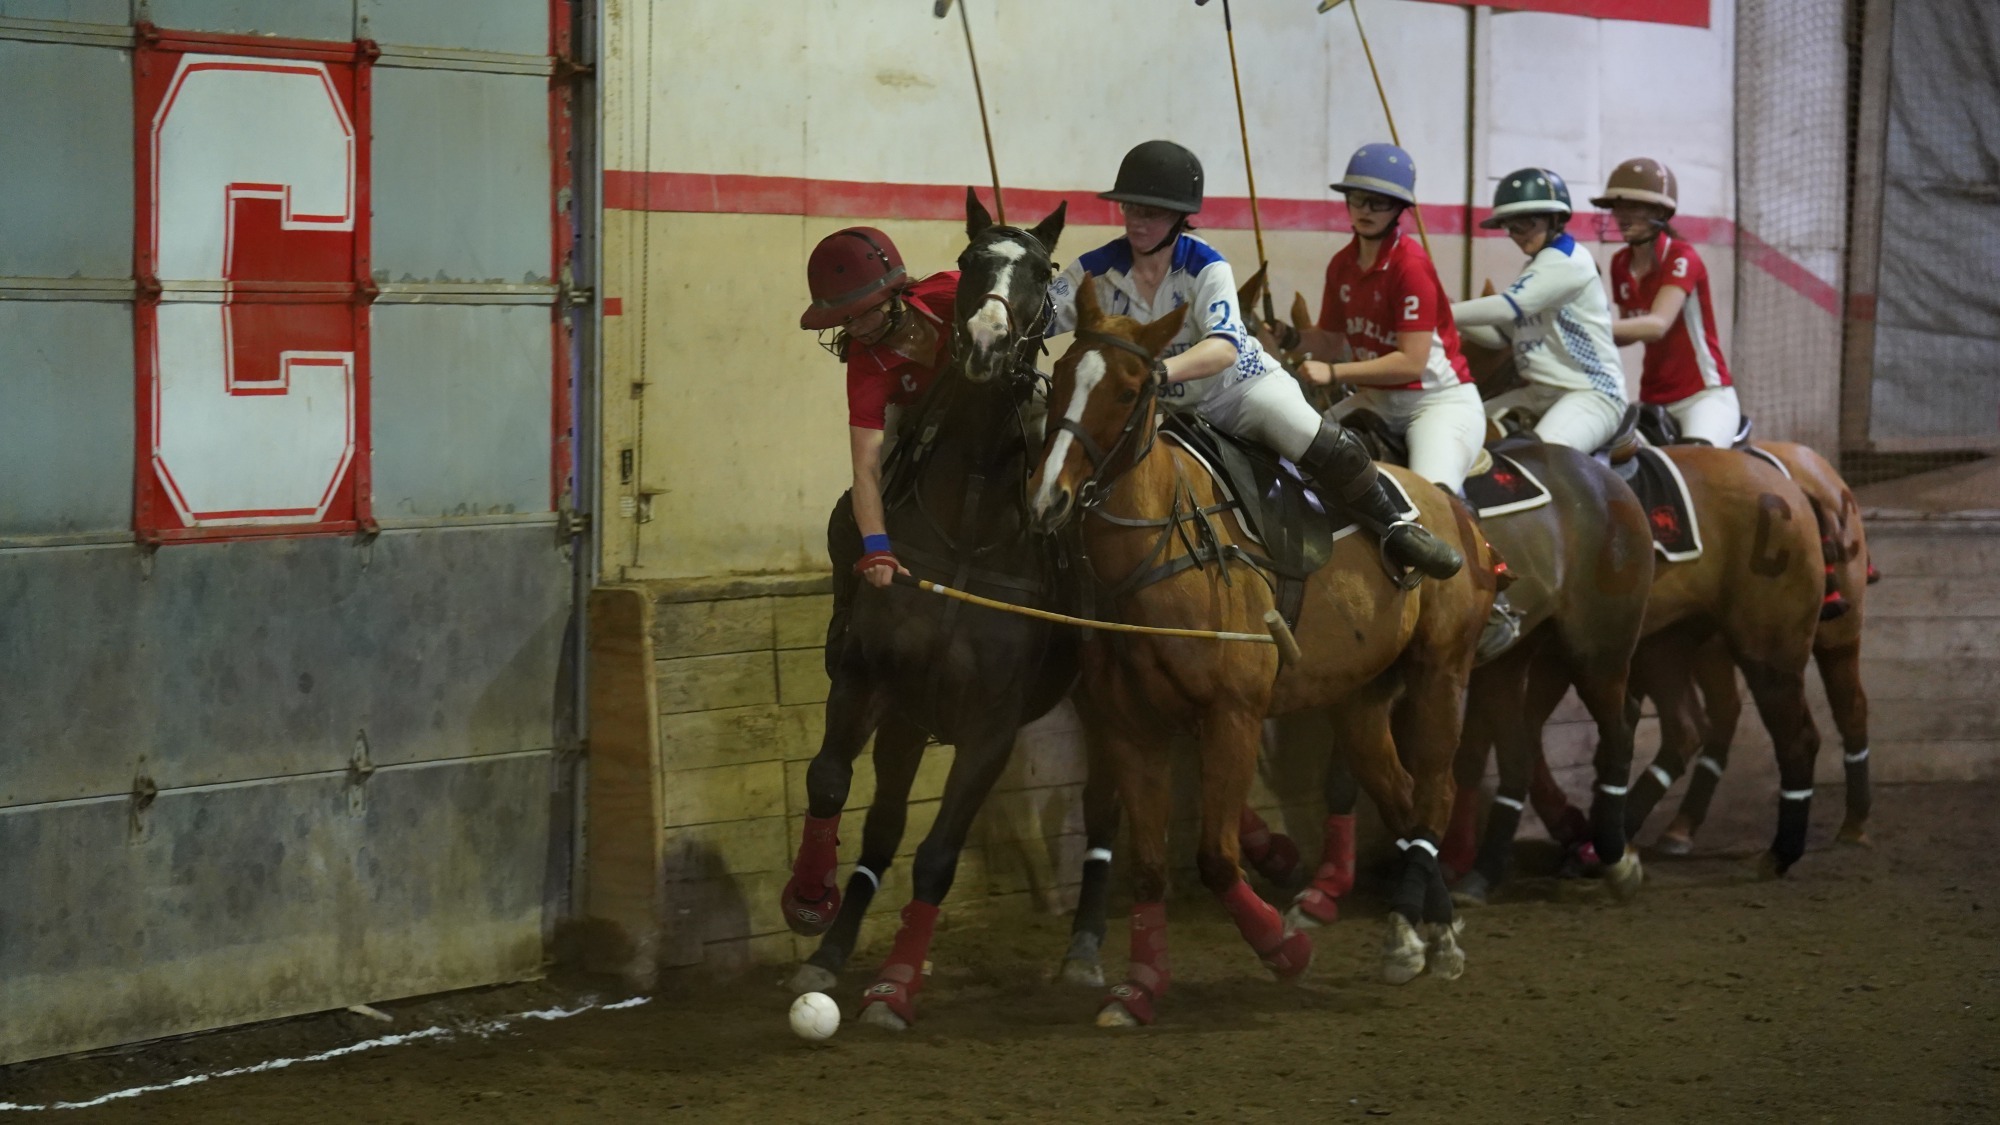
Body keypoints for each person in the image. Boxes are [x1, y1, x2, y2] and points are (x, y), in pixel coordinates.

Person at [1045, 140, 1462, 580]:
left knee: (1312, 435)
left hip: (1241, 393)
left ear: (1178, 219)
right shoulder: (1096, 267)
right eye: (1131, 209)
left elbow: (1224, 347)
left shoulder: (1208, 267)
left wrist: (1160, 372)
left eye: (1152, 213)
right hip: (1167, 410)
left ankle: (1395, 527)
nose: (1137, 222)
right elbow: (1040, 315)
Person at [1298, 143, 1486, 496]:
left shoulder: (1410, 266)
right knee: (1296, 456)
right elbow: (1328, 339)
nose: (1365, 210)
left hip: (1435, 402)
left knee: (1432, 499)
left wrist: (1335, 372)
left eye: (1378, 202)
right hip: (1376, 401)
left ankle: (1475, 549)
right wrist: (1288, 338)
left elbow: (1411, 363)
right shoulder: (1342, 264)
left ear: (1399, 207)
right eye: (1357, 198)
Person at [1451, 168, 1629, 453]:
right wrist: (1447, 313)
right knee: (1459, 424)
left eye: (1523, 224)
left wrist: (1441, 312)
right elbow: (1500, 338)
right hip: (1539, 392)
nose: (1515, 235)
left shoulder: (1566, 260)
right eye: (1509, 226)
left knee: (1543, 457)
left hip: (1591, 394)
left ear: (1554, 219)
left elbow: (1509, 306)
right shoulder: (1536, 267)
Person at [1594, 157, 1741, 447]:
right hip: (1653, 399)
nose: (1622, 216)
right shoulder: (1620, 263)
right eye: (1617, 207)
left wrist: (1587, 327)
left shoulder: (1682, 257)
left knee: (1696, 466)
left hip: (1703, 396)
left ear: (1660, 211)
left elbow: (1656, 326)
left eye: (1634, 207)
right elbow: (1627, 331)